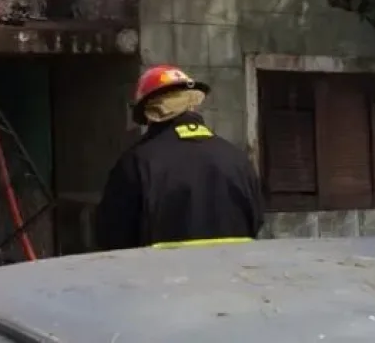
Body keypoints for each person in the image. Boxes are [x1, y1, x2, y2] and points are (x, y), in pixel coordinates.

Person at [95, 65, 263, 251]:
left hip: (162, 277)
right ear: (192, 104)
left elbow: (113, 237)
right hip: (232, 276)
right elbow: (256, 221)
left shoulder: (136, 163)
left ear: (150, 112)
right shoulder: (237, 159)